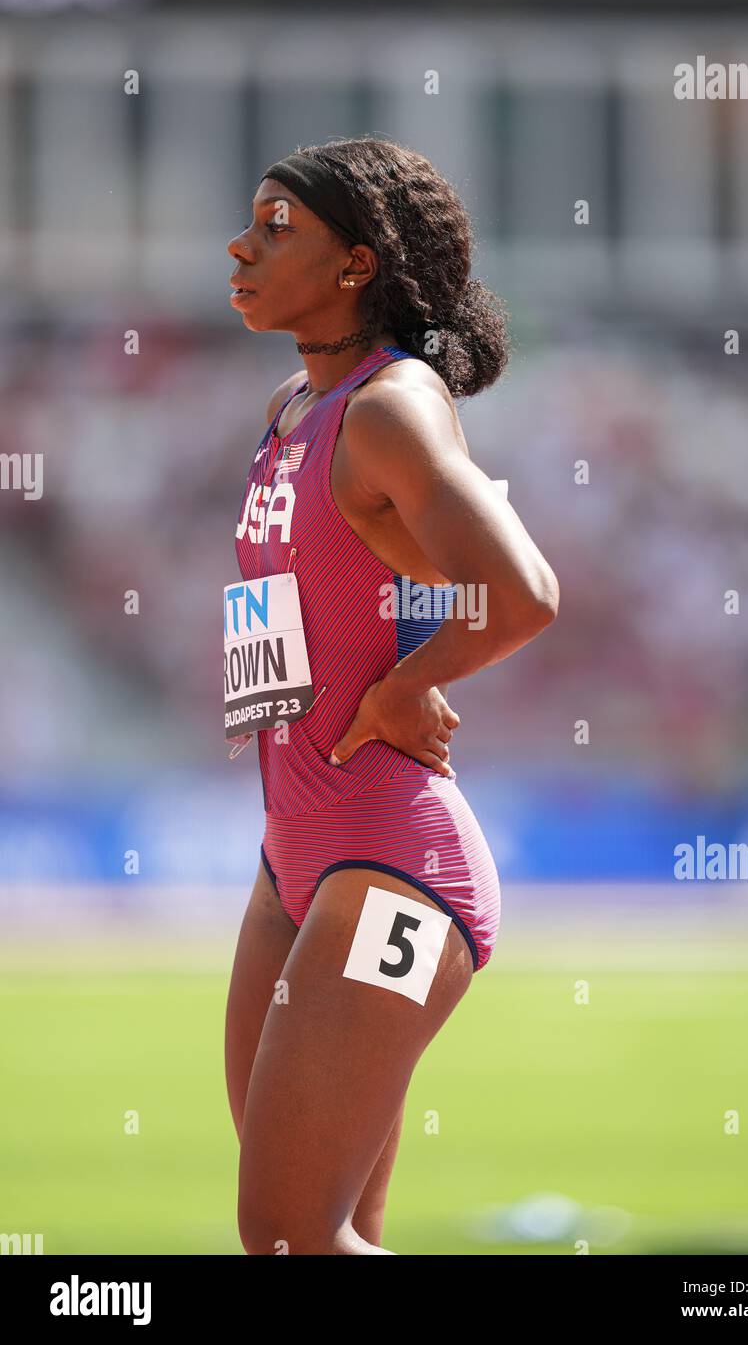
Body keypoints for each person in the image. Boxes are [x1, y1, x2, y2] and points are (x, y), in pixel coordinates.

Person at [223, 136, 559, 1255]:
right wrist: (268, 702)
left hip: (391, 863)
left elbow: (518, 591)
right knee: (321, 1233)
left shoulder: (388, 407)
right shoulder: (290, 406)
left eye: (278, 227)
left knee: (286, 1235)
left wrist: (410, 685)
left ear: (357, 264)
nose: (241, 244)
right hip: (295, 854)